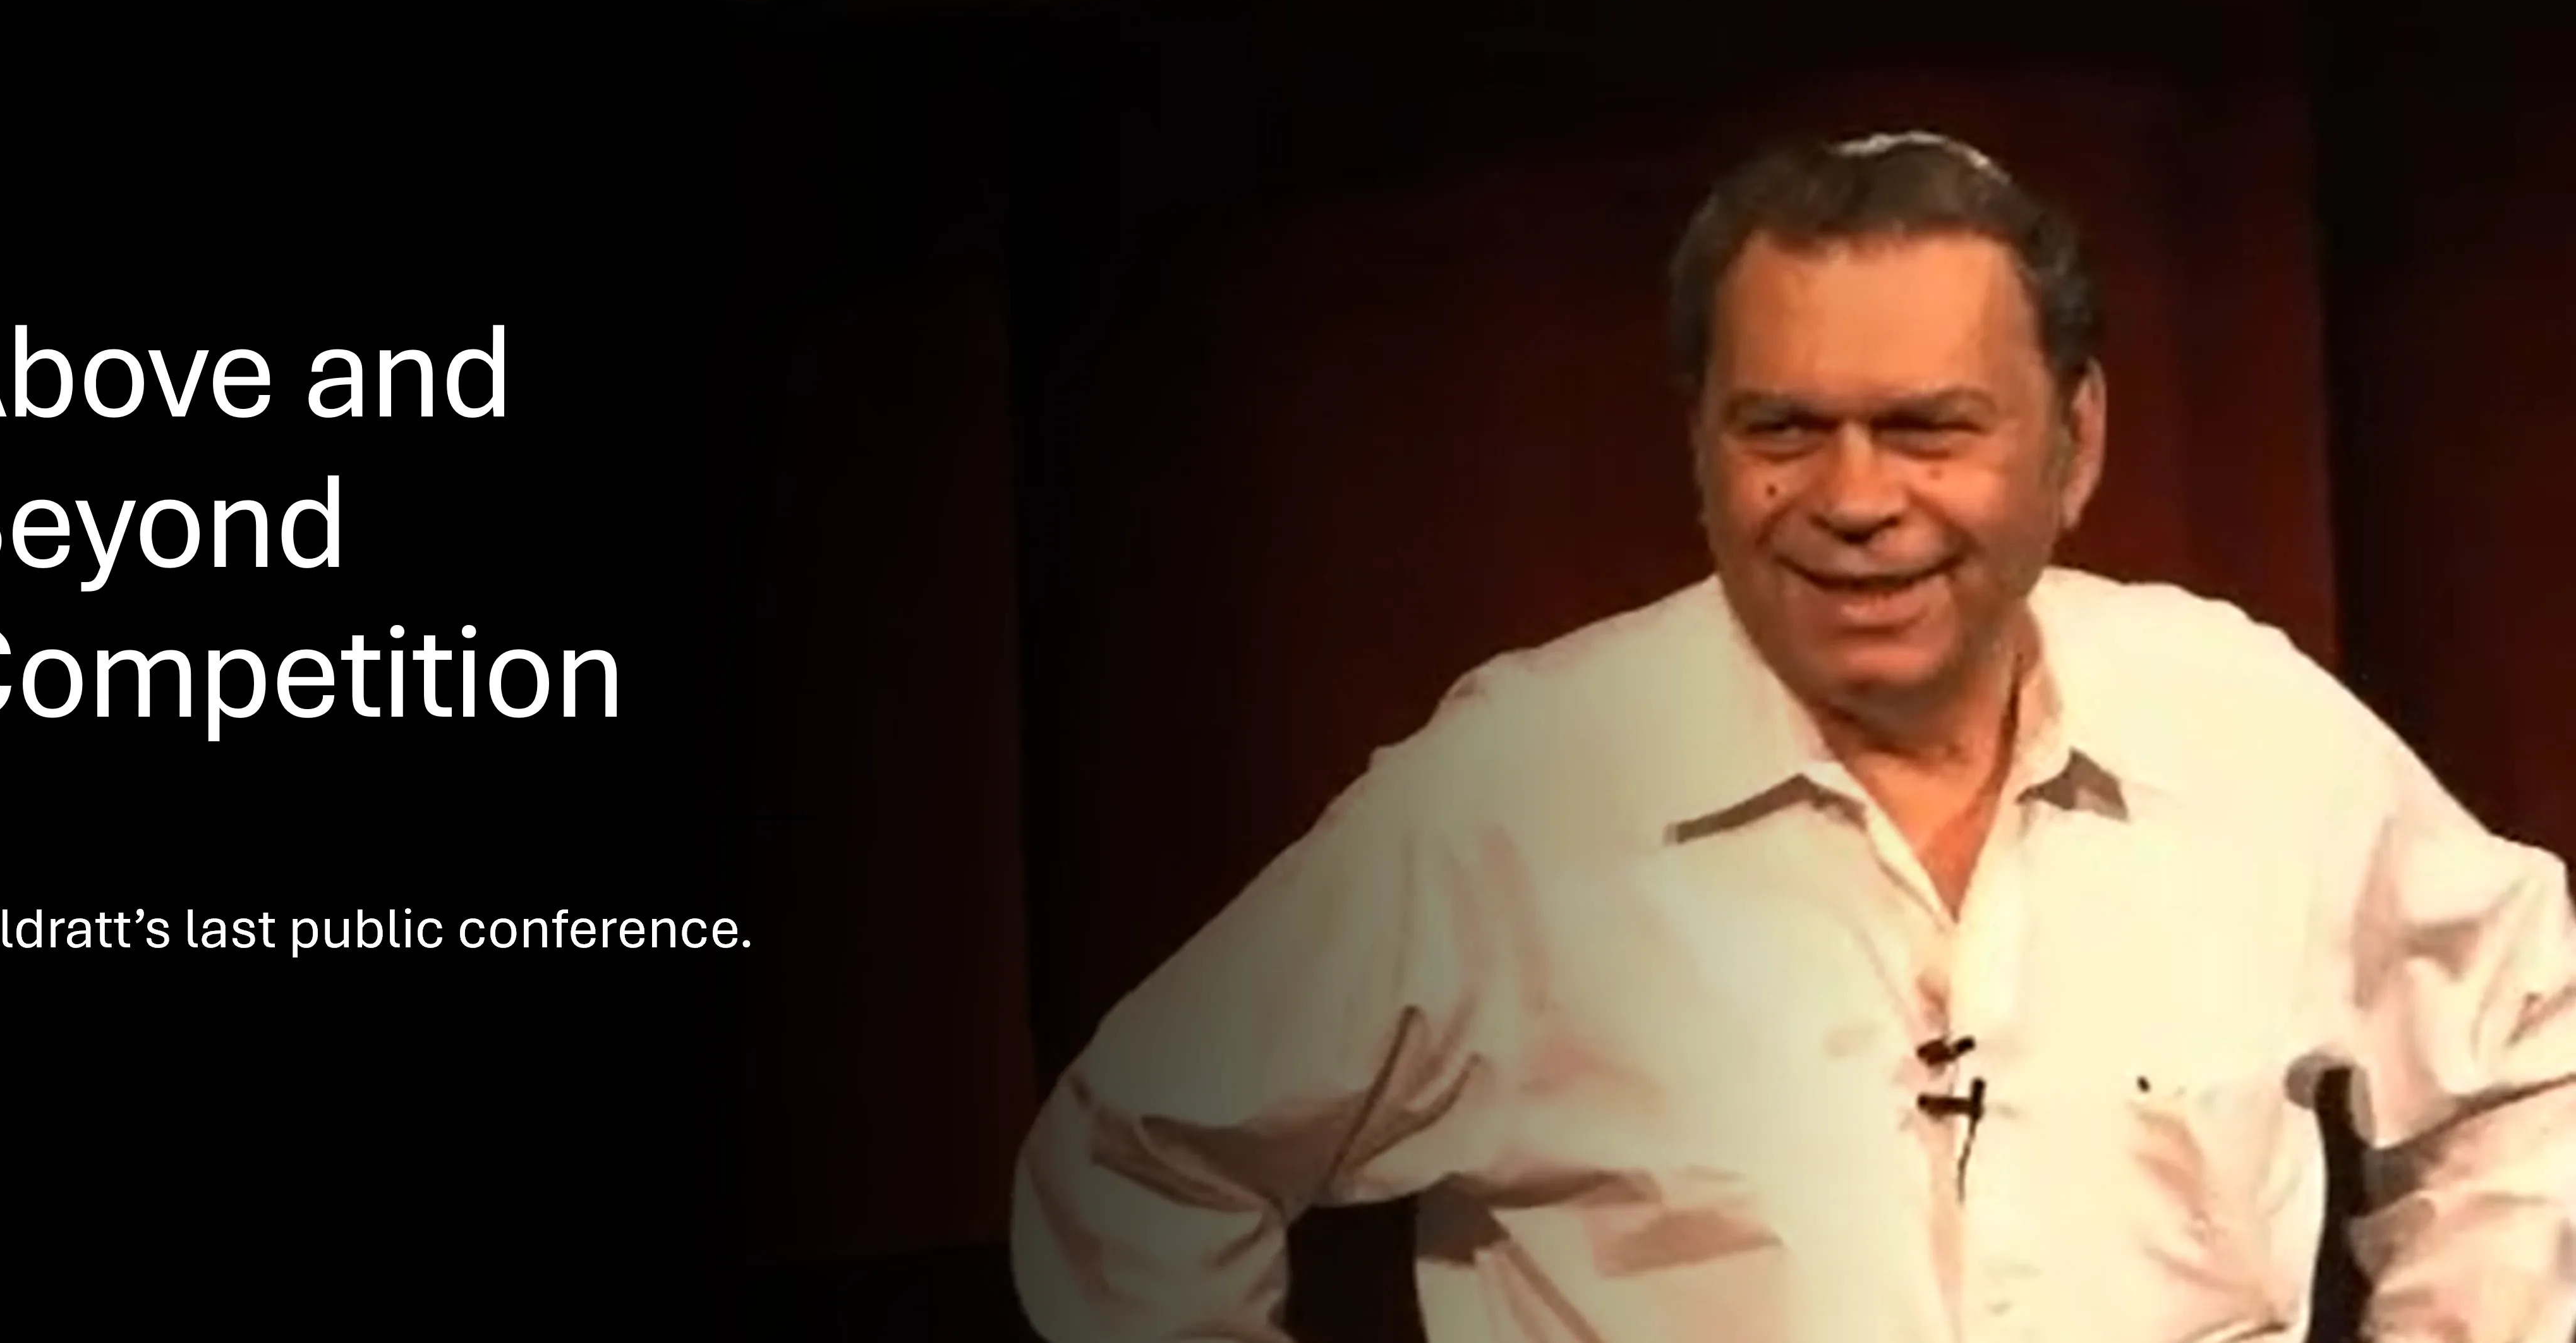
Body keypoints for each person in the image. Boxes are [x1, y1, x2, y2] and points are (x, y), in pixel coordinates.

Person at [1007, 131, 2576, 1342]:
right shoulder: (1513, 795)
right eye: (1783, 430)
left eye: (1927, 428)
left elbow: (2526, 1052)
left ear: (2074, 439)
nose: (1853, 499)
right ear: (1699, 444)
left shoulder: (2244, 726)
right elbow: (1137, 1156)